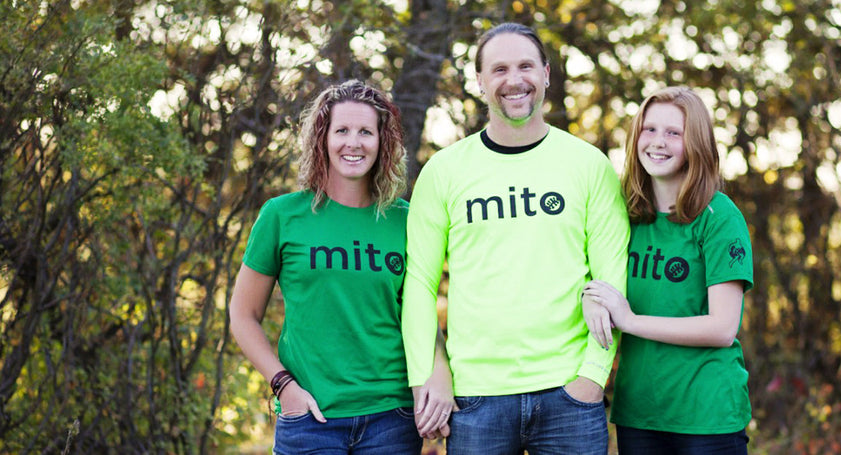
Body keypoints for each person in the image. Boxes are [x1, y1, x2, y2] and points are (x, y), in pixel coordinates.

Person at [400, 22, 630, 454]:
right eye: (499, 69)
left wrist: (592, 378)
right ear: (481, 82)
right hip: (476, 397)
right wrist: (429, 373)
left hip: (569, 395)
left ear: (545, 73)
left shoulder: (588, 165)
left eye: (525, 65)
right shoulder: (444, 171)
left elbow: (611, 278)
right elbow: (418, 283)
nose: (514, 79)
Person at [229, 80, 431, 454]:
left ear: (382, 142)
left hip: (392, 419)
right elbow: (243, 314)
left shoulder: (407, 220)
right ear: (322, 138)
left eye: (366, 132)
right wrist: (284, 387)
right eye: (341, 130)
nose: (353, 143)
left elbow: (421, 315)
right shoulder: (282, 215)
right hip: (310, 418)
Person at [582, 86, 754, 454]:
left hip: (707, 413)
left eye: (674, 133)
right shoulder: (622, 214)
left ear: (696, 143)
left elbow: (722, 328)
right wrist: (590, 298)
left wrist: (630, 321)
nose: (658, 142)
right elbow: (589, 275)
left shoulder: (719, 217)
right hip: (640, 413)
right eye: (650, 129)